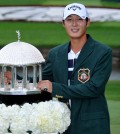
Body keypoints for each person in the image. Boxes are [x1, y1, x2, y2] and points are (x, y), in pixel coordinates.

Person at [37, 2, 112, 134]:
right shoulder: (56, 53)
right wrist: (16, 79)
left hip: (93, 125)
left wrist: (55, 88)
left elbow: (93, 88)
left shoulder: (102, 52)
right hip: (63, 125)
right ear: (63, 23)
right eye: (69, 19)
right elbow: (41, 80)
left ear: (87, 22)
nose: (74, 24)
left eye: (79, 19)